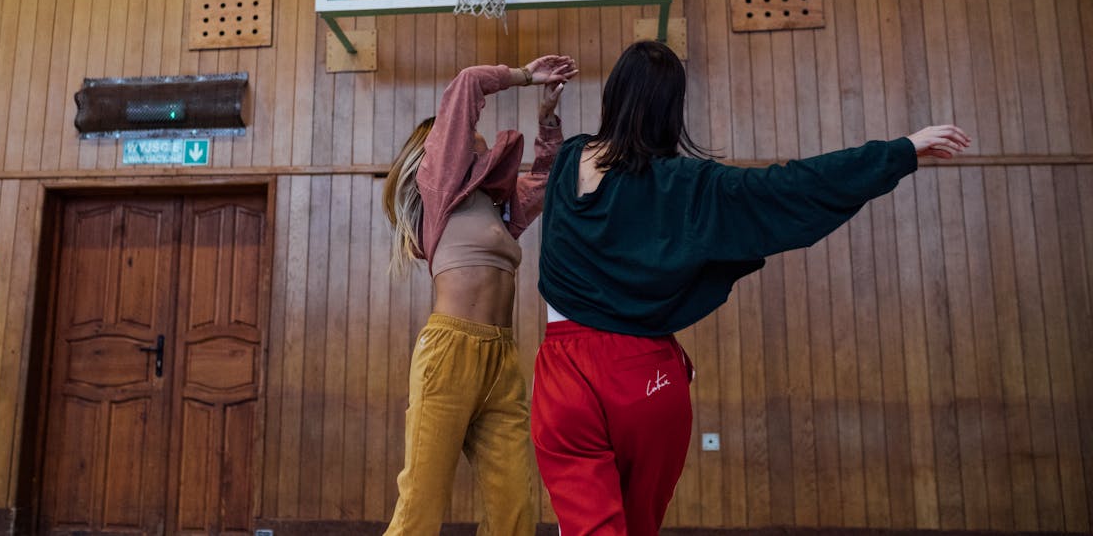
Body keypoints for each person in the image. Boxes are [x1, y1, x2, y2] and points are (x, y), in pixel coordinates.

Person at [530, 40, 970, 536]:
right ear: (673, 108)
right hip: (646, 378)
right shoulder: (691, 185)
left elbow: (549, 177)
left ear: (613, 95)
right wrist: (900, 151)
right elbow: (794, 186)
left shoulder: (570, 159)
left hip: (565, 375)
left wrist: (547, 117)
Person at [380, 55, 577, 536]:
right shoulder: (441, 190)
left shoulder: (498, 207)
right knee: (421, 505)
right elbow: (468, 83)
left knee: (513, 511)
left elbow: (546, 180)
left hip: (501, 360)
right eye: (468, 133)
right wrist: (526, 76)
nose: (478, 137)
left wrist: (547, 118)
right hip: (450, 353)